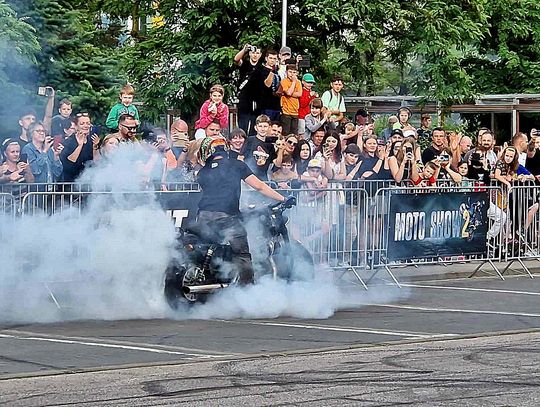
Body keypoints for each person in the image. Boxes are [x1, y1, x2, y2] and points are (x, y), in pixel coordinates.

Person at [196, 137, 289, 285]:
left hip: (202, 217)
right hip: (225, 217)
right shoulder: (237, 165)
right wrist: (283, 199)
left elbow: (213, 192)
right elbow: (259, 186)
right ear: (226, 149)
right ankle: (247, 289)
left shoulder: (202, 172)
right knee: (242, 254)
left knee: (217, 248)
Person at [59, 113, 100, 182]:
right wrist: (80, 145)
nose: (86, 126)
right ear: (76, 126)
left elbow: (97, 162)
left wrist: (95, 146)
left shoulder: (92, 140)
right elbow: (69, 164)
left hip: (88, 181)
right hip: (71, 182)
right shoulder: (68, 142)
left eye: (88, 123)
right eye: (82, 123)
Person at [234, 43, 262, 136]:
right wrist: (244, 50)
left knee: (255, 125)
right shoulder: (245, 64)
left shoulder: (262, 67)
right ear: (250, 54)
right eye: (253, 53)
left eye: (257, 53)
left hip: (257, 100)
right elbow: (236, 59)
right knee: (243, 124)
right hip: (244, 99)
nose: (255, 55)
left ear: (260, 55)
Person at [278, 64, 303, 135]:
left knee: (294, 133)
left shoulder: (299, 82)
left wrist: (289, 93)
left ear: (297, 73)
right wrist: (294, 82)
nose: (292, 74)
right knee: (285, 132)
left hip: (295, 111)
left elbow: (299, 94)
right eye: (290, 72)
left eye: (294, 72)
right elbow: (288, 93)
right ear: (286, 72)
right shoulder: (284, 81)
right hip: (286, 111)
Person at [298, 73, 318, 137]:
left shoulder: (311, 91)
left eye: (311, 83)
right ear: (303, 82)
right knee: (302, 133)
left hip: (310, 117)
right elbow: (302, 104)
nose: (310, 84)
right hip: (302, 116)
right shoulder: (301, 90)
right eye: (308, 82)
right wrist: (310, 96)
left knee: (310, 134)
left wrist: (315, 97)